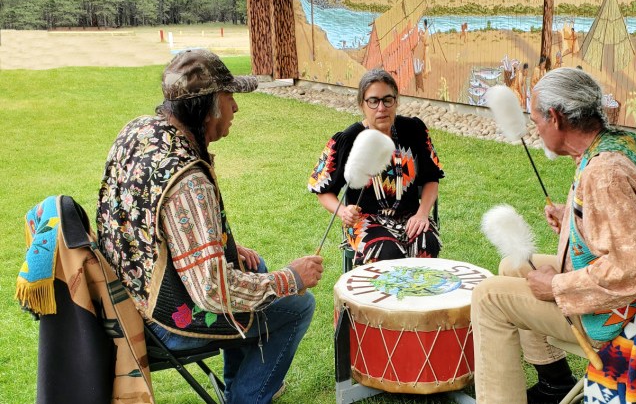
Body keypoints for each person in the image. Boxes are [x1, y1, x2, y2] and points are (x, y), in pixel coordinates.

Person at [97, 49, 324, 404]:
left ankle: (239, 385)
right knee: (298, 306)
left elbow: (147, 226)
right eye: (229, 96)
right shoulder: (188, 182)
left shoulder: (139, 131)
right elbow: (212, 293)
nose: (235, 107)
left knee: (252, 265)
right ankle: (246, 398)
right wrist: (290, 278)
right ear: (207, 106)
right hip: (162, 321)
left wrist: (224, 252)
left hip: (125, 295)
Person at [471, 67, 636, 404]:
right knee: (513, 267)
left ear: (556, 118)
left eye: (536, 121)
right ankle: (554, 383)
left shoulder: (604, 172)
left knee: (488, 297)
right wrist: (579, 219)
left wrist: (556, 287)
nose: (536, 129)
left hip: (635, 314)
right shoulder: (632, 143)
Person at [308, 69, 445, 267]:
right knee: (386, 251)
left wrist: (423, 213)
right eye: (373, 101)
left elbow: (431, 178)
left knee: (426, 243)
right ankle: (382, 297)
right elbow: (322, 190)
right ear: (361, 105)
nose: (381, 108)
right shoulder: (347, 140)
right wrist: (343, 211)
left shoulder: (414, 130)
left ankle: (419, 295)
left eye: (387, 100)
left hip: (411, 215)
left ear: (396, 101)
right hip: (365, 221)